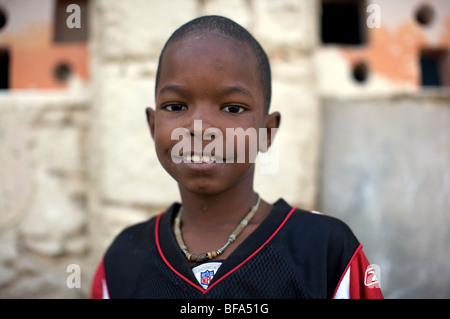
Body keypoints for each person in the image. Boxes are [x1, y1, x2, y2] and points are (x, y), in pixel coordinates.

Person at [90, 15, 383, 299]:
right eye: (176, 106)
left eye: (232, 109)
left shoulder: (325, 251)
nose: (201, 128)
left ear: (267, 133)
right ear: (153, 126)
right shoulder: (122, 260)